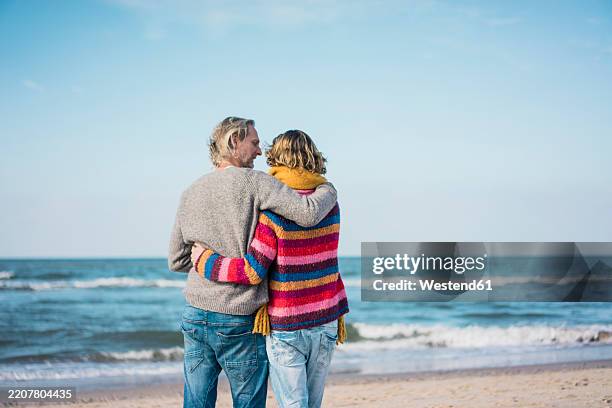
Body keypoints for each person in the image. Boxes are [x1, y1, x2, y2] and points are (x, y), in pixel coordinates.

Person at [168, 118, 338, 408]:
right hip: (238, 316)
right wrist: (329, 190)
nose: (260, 152)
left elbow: (177, 259)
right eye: (255, 143)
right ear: (234, 142)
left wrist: (206, 262)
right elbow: (308, 213)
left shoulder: (190, 191)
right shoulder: (258, 182)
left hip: (195, 314)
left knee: (196, 402)